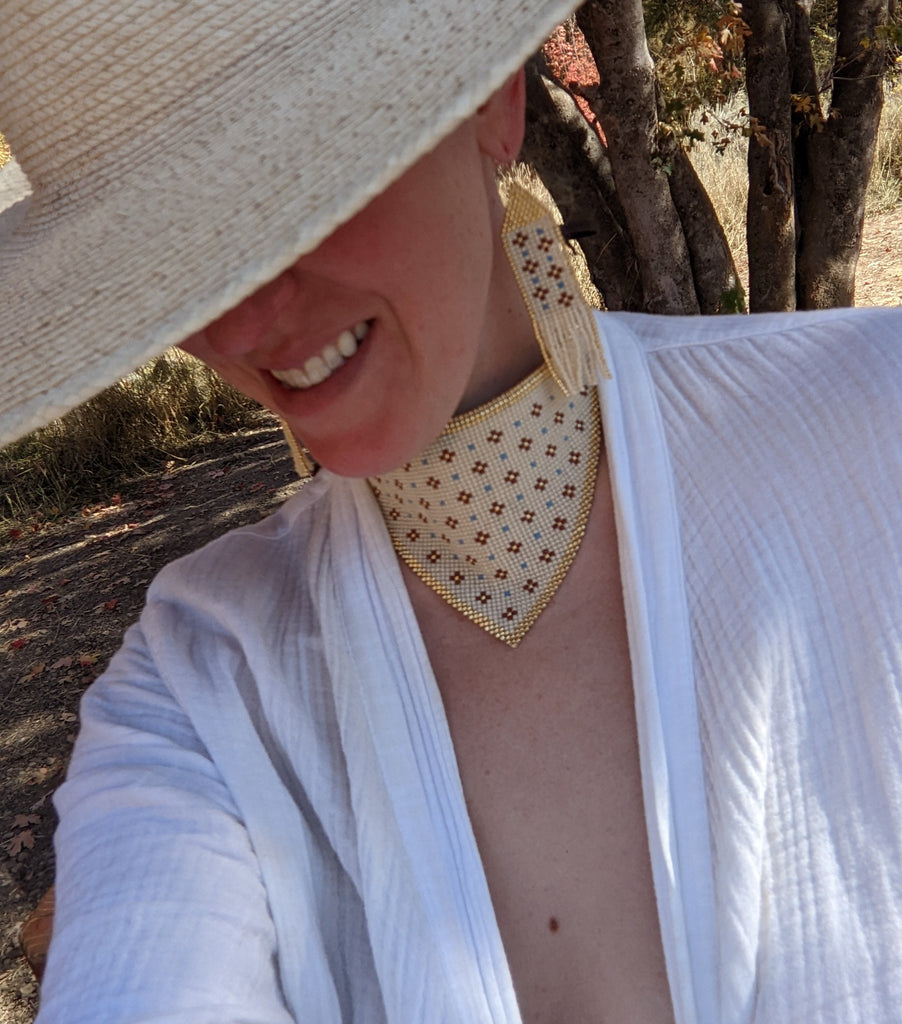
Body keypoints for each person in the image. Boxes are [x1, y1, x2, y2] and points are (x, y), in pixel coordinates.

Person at [2, 1, 901, 1022]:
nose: (240, 321)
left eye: (295, 186)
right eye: (166, 260)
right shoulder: (201, 680)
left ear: (491, 101)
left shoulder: (876, 428)